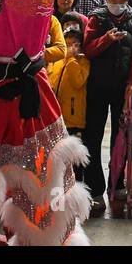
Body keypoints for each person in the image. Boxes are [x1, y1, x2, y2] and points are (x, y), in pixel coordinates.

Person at [82, 0, 132, 213]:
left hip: (123, 88)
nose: (117, 6)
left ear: (127, 1)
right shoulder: (96, 18)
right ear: (106, 0)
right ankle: (95, 188)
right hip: (98, 86)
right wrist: (106, 39)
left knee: (121, 138)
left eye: (121, 2)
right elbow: (88, 49)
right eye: (113, 2)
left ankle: (118, 183)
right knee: (93, 136)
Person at [49, 26, 90, 185]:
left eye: (76, 44)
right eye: (68, 44)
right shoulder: (58, 60)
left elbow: (78, 82)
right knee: (58, 157)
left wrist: (72, 59)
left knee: (75, 159)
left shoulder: (83, 62)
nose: (72, 47)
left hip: (75, 119)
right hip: (58, 117)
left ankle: (77, 187)